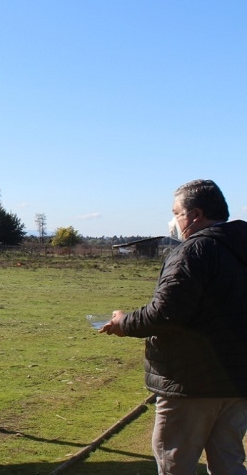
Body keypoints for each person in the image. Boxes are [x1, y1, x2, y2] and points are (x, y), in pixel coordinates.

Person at [100, 179, 247, 475]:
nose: (174, 220)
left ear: (195, 214)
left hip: (191, 383)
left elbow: (165, 313)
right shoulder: (240, 247)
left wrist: (123, 322)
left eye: (176, 212)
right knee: (229, 462)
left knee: (174, 462)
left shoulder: (193, 251)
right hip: (237, 381)